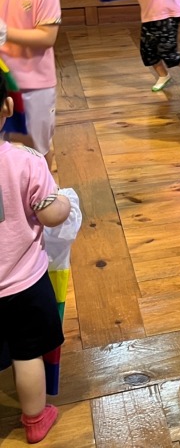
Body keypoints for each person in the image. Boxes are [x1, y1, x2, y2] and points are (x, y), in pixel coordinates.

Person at [0, 73, 71, 444]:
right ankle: (35, 419)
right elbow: (50, 214)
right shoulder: (26, 162)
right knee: (27, 354)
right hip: (23, 284)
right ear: (7, 107)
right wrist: (64, 202)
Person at [0, 0, 62, 168]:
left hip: (33, 86)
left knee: (36, 146)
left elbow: (46, 38)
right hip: (1, 83)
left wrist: (6, 33)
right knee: (4, 144)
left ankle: (46, 186)